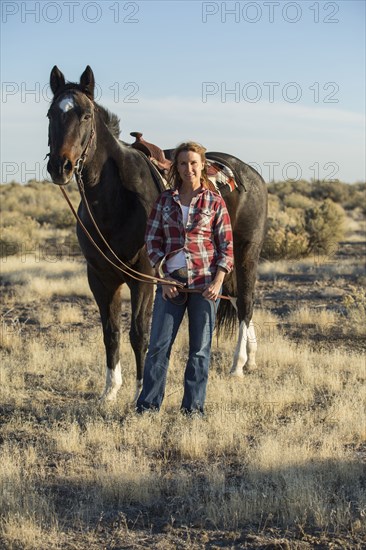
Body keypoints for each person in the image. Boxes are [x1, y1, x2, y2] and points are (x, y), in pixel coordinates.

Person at [136, 141, 234, 415]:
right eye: (182, 163)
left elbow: (226, 246)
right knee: (157, 347)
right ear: (176, 167)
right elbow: (152, 241)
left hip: (205, 285)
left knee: (200, 350)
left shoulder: (214, 201)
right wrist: (163, 278)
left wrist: (217, 282)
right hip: (171, 284)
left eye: (193, 163)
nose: (188, 168)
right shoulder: (165, 200)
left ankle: (193, 410)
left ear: (202, 165)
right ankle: (147, 407)